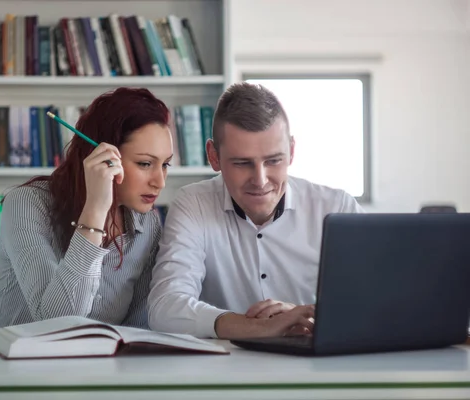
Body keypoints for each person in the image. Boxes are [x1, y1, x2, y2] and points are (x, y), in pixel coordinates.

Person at [147, 82, 364, 339]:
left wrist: (305, 315)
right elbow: (165, 307)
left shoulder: (337, 208)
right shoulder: (193, 204)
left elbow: (372, 301)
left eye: (273, 161)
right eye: (242, 163)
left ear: (292, 152)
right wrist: (259, 327)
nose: (260, 180)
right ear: (213, 156)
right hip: (226, 370)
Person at [0, 87, 174, 332]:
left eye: (165, 165)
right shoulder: (26, 203)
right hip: (18, 363)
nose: (159, 182)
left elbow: (138, 328)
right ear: (101, 157)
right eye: (145, 163)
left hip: (101, 367)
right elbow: (55, 324)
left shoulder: (147, 225)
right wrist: (96, 209)